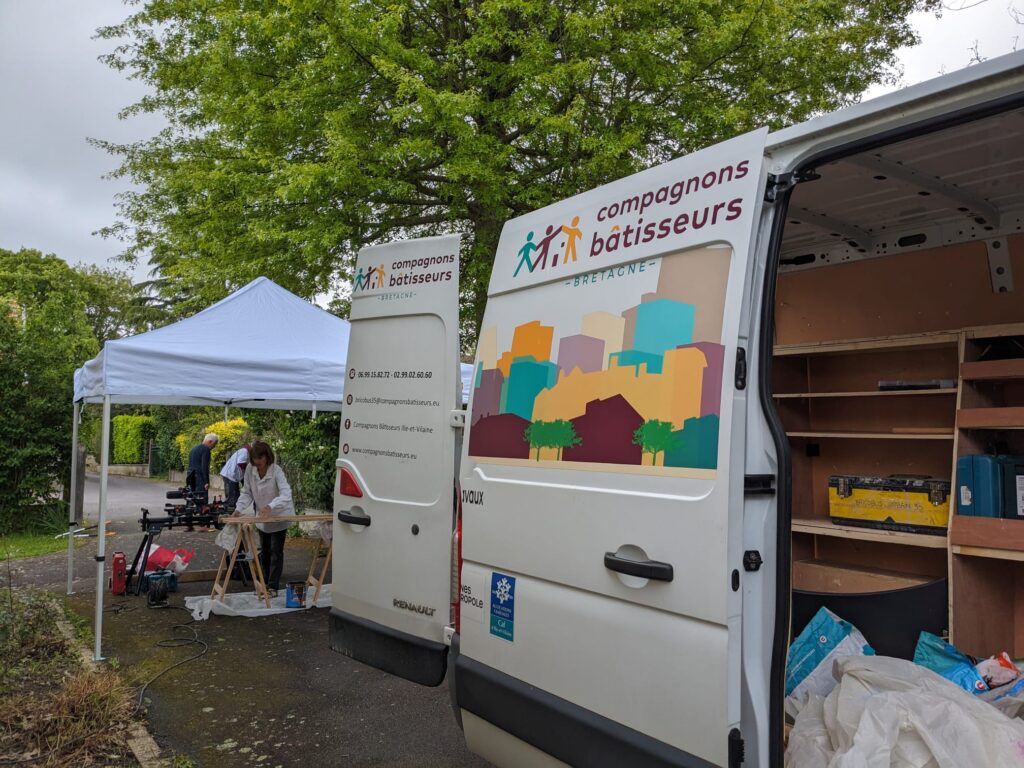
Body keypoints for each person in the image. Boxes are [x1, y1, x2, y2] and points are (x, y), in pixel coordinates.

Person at [232, 441, 292, 596]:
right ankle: (264, 583)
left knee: (275, 551)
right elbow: (247, 492)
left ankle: (273, 586)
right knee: (264, 551)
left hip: (279, 515)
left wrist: (271, 506)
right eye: (254, 459)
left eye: (260, 459)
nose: (257, 463)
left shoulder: (276, 471)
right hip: (262, 517)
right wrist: (238, 509)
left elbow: (286, 494)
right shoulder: (251, 471)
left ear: (267, 457)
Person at [187, 433, 219, 507]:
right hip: (199, 477)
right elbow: (204, 467)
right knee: (201, 498)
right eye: (214, 444)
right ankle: (202, 514)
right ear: (210, 441)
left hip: (190, 475)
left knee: (191, 496)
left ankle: (190, 513)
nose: (213, 447)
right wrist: (206, 482)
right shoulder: (206, 449)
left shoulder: (194, 449)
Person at [219, 443, 251, 509]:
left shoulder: (244, 451)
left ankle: (234, 511)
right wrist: (246, 475)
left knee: (236, 495)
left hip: (232, 476)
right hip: (230, 475)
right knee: (232, 497)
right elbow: (241, 463)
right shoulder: (244, 451)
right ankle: (230, 511)